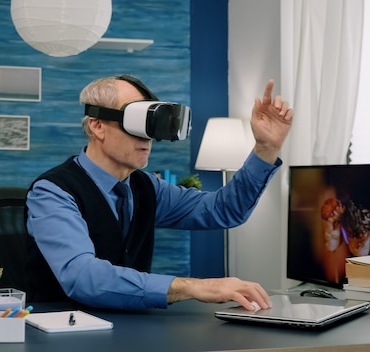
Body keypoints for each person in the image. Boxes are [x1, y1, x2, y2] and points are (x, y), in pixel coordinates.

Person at [25, 75, 293, 312]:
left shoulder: (145, 187)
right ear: (97, 126)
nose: (147, 137)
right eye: (135, 122)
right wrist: (194, 287)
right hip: (64, 332)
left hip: (132, 330)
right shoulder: (53, 192)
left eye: (150, 124)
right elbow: (82, 277)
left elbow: (223, 210)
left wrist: (265, 149)